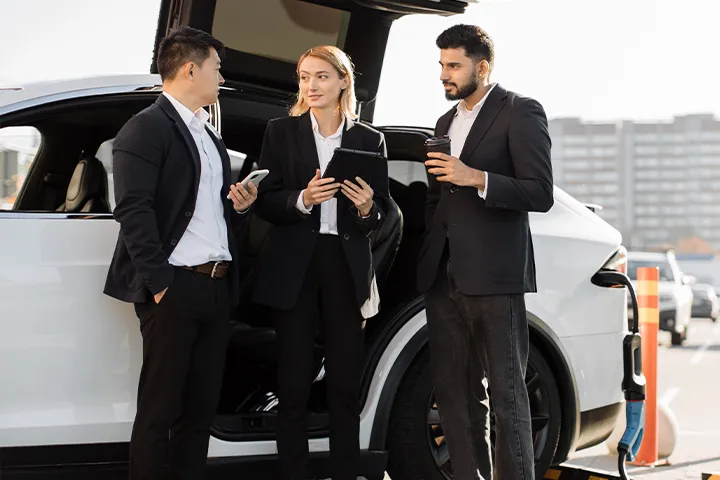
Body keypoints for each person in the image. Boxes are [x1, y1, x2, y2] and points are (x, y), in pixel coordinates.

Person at [103, 26, 257, 479]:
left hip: (215, 288)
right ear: (190, 69)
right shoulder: (146, 127)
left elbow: (205, 212)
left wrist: (239, 206)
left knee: (199, 415)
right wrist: (161, 284)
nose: (220, 77)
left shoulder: (209, 136)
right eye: (216, 67)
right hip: (175, 288)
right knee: (159, 413)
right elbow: (133, 209)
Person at [417, 24, 554, 480]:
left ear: (483, 66)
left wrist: (474, 176)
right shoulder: (444, 123)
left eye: (453, 65)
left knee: (507, 393)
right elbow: (438, 199)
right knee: (454, 394)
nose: (444, 74)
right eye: (441, 65)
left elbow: (540, 192)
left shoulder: (520, 111)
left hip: (495, 276)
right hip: (444, 276)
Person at [252, 45, 389, 480]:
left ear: (344, 81)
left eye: (321, 77)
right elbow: (267, 203)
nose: (310, 86)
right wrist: (302, 199)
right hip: (295, 267)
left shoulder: (370, 139)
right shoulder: (280, 132)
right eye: (304, 77)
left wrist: (368, 209)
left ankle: (346, 473)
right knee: (292, 385)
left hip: (345, 268)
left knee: (345, 386)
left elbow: (381, 215)